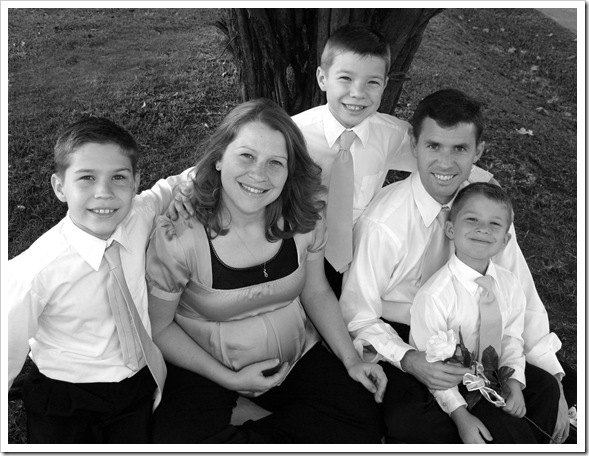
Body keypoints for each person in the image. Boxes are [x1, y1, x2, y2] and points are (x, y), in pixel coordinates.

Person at [145, 98, 387, 444]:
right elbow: (159, 326)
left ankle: (250, 422)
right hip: (208, 368)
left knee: (363, 421)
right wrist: (230, 380)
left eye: (275, 162)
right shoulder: (180, 237)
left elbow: (316, 291)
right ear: (218, 158)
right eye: (246, 156)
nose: (259, 174)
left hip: (294, 357)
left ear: (290, 171)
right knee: (177, 443)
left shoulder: (303, 221)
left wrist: (351, 360)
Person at [339, 88, 568, 444]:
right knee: (412, 421)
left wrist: (553, 374)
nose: (445, 164)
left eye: (459, 148)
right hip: (405, 334)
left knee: (544, 392)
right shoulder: (384, 224)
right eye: (434, 146)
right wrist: (410, 359)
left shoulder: (486, 214)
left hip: (477, 332)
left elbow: (519, 292)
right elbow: (358, 316)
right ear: (414, 144)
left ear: (478, 151)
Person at [7, 117, 192, 443]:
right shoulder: (34, 272)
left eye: (118, 177)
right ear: (60, 187)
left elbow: (175, 184)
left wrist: (232, 153)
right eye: (87, 178)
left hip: (134, 386)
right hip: (65, 398)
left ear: (135, 183)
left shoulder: (139, 215)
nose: (104, 192)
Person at [291, 23, 493, 297]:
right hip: (297, 251)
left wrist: (489, 187)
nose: (358, 93)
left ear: (385, 85)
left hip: (356, 258)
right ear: (322, 78)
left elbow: (441, 158)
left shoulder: (391, 135)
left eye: (372, 82)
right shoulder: (294, 135)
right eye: (346, 78)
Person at [410, 182, 556, 443]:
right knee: (503, 426)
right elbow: (433, 370)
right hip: (453, 384)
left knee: (546, 388)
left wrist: (514, 381)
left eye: (495, 224)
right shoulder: (434, 296)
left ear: (505, 240)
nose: (483, 229)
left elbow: (511, 337)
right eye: (472, 219)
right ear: (451, 229)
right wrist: (460, 415)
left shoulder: (509, 284)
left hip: (495, 372)